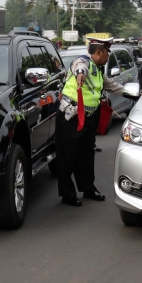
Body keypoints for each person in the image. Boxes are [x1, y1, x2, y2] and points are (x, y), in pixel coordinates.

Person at [55, 37, 126, 207]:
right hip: (71, 118)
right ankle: (67, 194)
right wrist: (80, 74)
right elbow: (80, 68)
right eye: (108, 53)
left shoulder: (99, 70)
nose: (108, 56)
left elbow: (113, 86)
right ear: (100, 51)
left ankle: (88, 188)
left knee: (87, 155)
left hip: (89, 118)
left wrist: (136, 95)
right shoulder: (83, 61)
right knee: (68, 157)